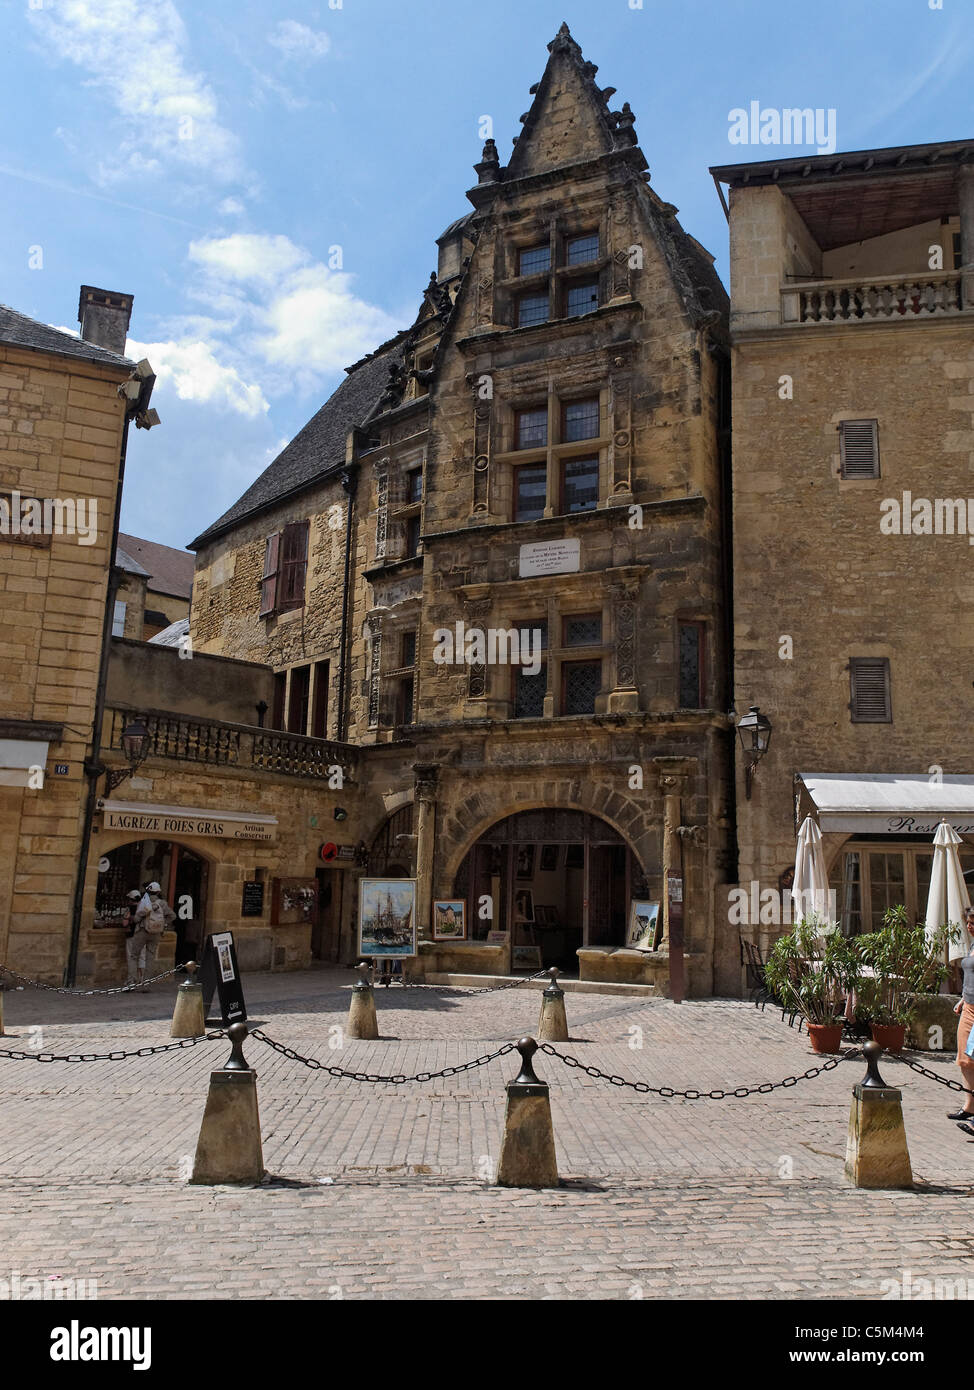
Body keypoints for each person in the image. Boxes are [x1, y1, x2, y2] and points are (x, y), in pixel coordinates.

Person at [127, 881, 175, 991]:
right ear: (158, 892)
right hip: (156, 932)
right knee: (150, 958)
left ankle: (131, 982)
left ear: (148, 891)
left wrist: (134, 918)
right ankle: (146, 985)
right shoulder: (162, 904)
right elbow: (172, 916)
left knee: (134, 956)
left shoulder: (145, 902)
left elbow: (137, 919)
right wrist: (163, 924)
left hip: (143, 931)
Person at [951, 933, 974, 1128]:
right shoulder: (973, 944)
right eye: (968, 922)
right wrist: (962, 999)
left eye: (973, 923)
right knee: (965, 1060)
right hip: (968, 1005)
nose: (969, 926)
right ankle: (970, 1106)